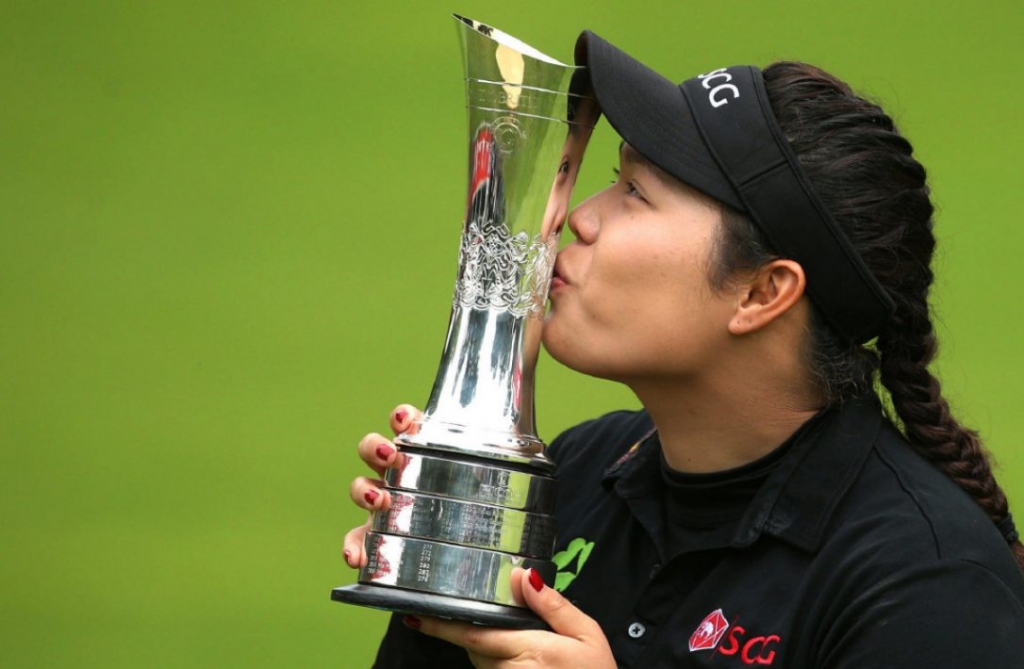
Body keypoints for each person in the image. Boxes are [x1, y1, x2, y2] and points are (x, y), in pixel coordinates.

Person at [342, 29, 1024, 668]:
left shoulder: (927, 583)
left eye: (636, 191)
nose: (582, 215)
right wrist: (442, 569)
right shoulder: (579, 471)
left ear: (762, 292)